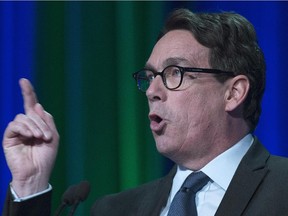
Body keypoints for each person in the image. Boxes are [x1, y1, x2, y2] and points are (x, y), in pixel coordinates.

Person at [2, 8, 288, 216]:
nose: (152, 91)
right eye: (150, 77)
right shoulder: (114, 210)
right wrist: (31, 184)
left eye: (175, 72)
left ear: (233, 93)